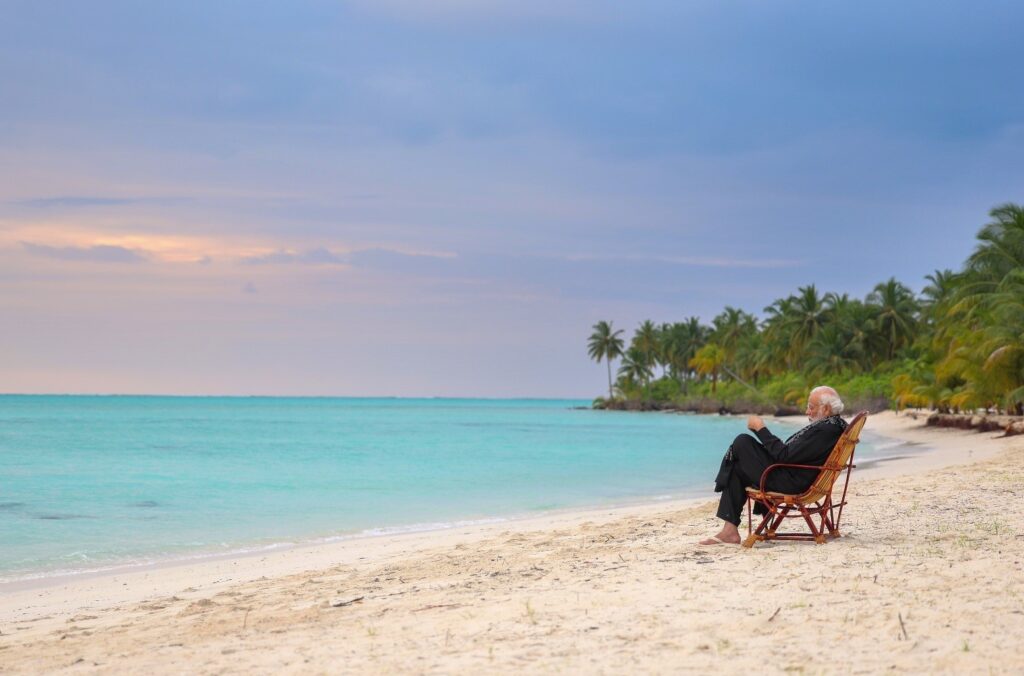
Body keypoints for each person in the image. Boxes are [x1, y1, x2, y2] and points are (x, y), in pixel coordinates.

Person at [699, 386, 848, 545]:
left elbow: (785, 455)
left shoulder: (826, 430)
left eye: (811, 407)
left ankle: (729, 525)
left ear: (825, 409)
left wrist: (760, 429)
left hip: (792, 482)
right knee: (737, 467)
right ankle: (730, 532)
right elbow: (790, 454)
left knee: (742, 442)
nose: (807, 412)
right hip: (796, 476)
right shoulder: (833, 426)